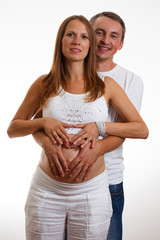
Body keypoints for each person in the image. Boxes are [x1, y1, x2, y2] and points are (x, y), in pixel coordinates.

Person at [7, 15, 148, 240]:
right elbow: (13, 128)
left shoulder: (108, 86)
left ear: (89, 44)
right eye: (70, 35)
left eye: (83, 37)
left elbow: (141, 129)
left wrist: (99, 127)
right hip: (47, 190)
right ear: (60, 41)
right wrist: (43, 122)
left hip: (92, 191)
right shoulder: (44, 83)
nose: (76, 41)